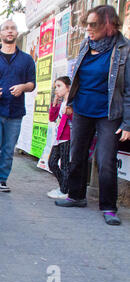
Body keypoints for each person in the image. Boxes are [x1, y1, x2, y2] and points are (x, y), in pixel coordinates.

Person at [55, 5, 130, 226]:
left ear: (107, 24)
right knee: (76, 155)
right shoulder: (86, 45)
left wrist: (127, 123)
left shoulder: (124, 50)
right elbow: (77, 79)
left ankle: (109, 206)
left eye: (92, 24)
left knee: (106, 160)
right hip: (81, 109)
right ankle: (76, 196)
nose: (87, 28)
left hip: (109, 113)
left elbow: (128, 90)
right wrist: (70, 102)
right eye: (86, 24)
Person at [0, 19, 36, 195]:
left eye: (13, 28)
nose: (10, 31)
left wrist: (23, 87)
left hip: (16, 110)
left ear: (16, 33)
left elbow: (32, 83)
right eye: (6, 29)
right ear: (0, 34)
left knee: (9, 147)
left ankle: (1, 179)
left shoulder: (26, 60)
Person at [47, 76, 72, 199]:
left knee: (65, 165)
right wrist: (55, 103)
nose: (57, 89)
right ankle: (65, 186)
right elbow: (52, 118)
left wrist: (70, 113)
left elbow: (75, 120)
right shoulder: (62, 103)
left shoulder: (72, 103)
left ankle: (64, 190)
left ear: (68, 88)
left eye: (59, 86)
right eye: (55, 87)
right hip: (58, 137)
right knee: (51, 163)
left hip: (67, 137)